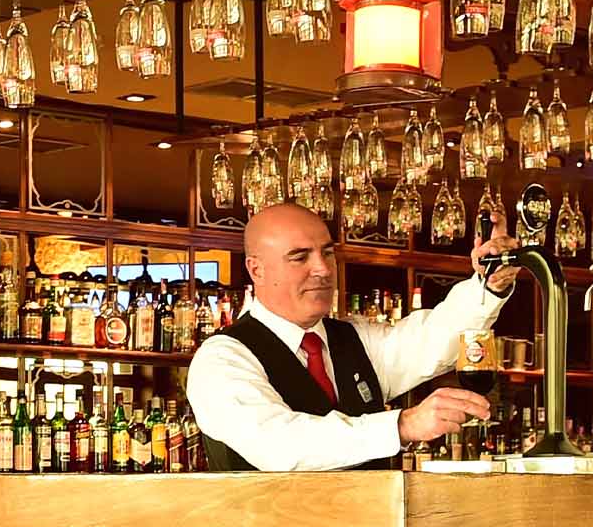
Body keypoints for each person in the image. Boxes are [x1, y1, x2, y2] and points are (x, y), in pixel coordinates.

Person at [186, 200, 519, 470]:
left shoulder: (353, 338)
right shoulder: (223, 359)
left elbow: (432, 340)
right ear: (256, 269)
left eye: (327, 253)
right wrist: (400, 426)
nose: (323, 269)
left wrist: (490, 285)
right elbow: (278, 445)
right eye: (300, 257)